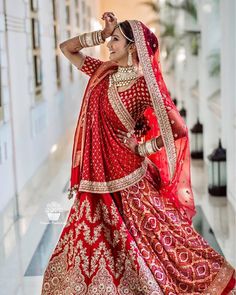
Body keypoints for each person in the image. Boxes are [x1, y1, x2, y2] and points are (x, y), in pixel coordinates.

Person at [41, 12, 235, 295]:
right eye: (110, 40)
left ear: (133, 47)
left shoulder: (144, 83)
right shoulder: (103, 72)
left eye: (116, 40)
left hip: (129, 177)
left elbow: (178, 127)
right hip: (97, 177)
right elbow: (67, 49)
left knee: (157, 241)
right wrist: (102, 33)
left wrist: (141, 147)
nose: (110, 45)